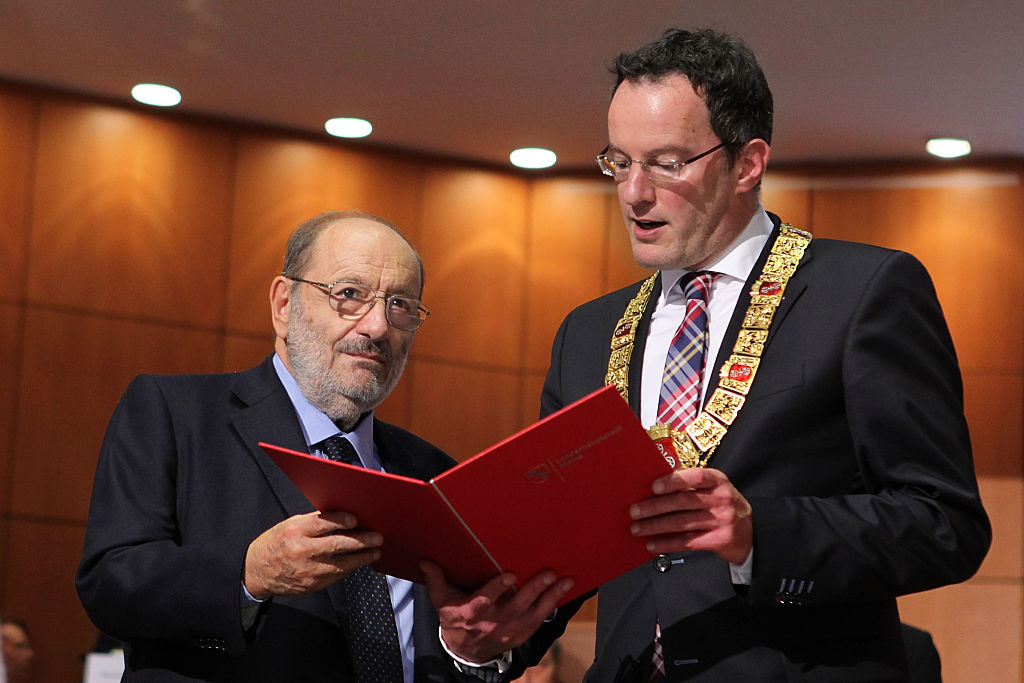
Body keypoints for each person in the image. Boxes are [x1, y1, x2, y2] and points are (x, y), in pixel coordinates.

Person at [425, 28, 991, 681]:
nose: (634, 193)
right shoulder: (586, 331)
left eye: (666, 163)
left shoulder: (862, 292)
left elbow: (945, 521)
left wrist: (763, 537)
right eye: (619, 161)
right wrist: (484, 641)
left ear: (747, 163)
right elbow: (564, 555)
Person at [76, 210, 478, 681]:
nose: (377, 328)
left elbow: (457, 648)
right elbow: (111, 585)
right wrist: (248, 576)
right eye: (349, 295)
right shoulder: (175, 413)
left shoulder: (435, 473)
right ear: (284, 304)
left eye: (400, 306)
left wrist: (473, 652)